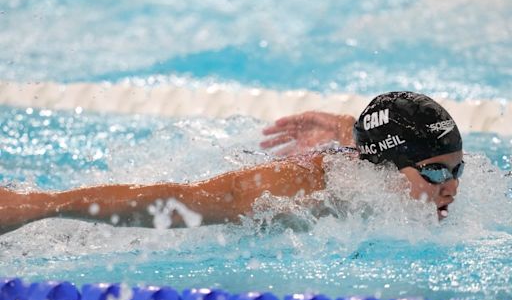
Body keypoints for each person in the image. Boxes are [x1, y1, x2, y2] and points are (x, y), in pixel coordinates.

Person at [0, 91, 463, 234]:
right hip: (112, 237)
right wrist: (39, 204)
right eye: (438, 173)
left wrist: (347, 124)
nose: (452, 187)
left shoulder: (405, 172)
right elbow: (180, 199)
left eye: (456, 170)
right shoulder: (304, 186)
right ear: (384, 164)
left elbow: (385, 146)